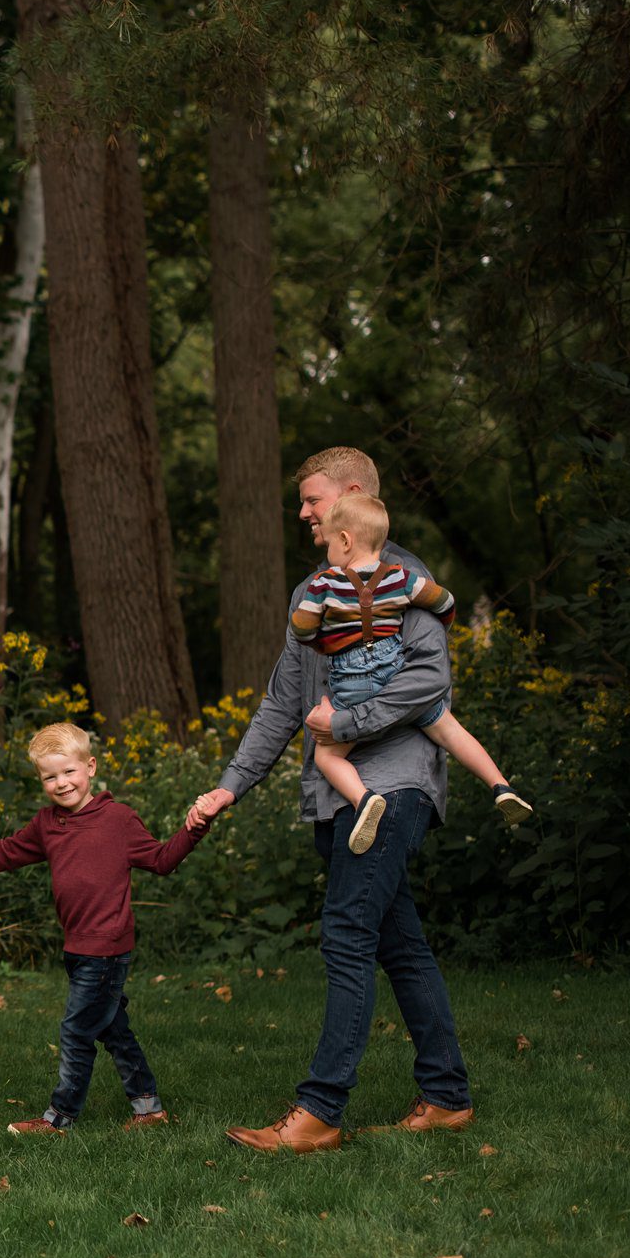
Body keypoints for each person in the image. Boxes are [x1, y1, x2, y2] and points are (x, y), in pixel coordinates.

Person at [190, 447, 475, 1153]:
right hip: (338, 796)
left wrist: (344, 724)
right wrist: (230, 783)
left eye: (312, 500)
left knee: (348, 932)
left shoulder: (408, 583)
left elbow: (426, 685)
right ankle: (446, 1095)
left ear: (350, 496)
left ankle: (319, 1111)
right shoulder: (314, 593)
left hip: (395, 785)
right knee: (397, 941)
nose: (303, 512)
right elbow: (286, 700)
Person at [0, 722, 206, 1135]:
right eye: (50, 776)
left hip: (107, 949)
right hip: (77, 948)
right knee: (114, 1030)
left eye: (69, 772)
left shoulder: (118, 820)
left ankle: (58, 1118)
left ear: (90, 767)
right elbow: (4, 853)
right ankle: (150, 1110)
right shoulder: (48, 824)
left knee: (76, 1031)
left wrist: (193, 828)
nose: (61, 784)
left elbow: (162, 860)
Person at [295, 491, 534, 854]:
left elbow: (302, 628)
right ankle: (501, 786)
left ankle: (364, 800)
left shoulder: (325, 583)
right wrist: (445, 625)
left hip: (352, 683)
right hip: (394, 671)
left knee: (326, 756)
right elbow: (445, 602)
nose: (326, 550)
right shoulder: (401, 578)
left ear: (344, 540)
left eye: (329, 542)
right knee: (451, 730)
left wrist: (324, 641)